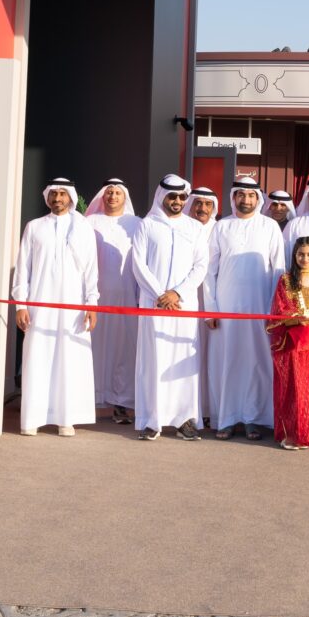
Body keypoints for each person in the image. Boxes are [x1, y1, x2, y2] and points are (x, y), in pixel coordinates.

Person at [13, 178, 99, 437]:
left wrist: (91, 304)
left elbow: (91, 270)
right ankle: (33, 418)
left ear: (70, 197)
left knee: (69, 360)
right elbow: (23, 269)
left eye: (62, 193)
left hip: (73, 307)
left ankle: (66, 418)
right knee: (37, 357)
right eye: (54, 193)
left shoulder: (82, 228)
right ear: (47, 197)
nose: (58, 198)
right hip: (39, 306)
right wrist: (21, 304)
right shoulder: (34, 227)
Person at [205, 178, 285, 440]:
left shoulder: (270, 226)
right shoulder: (221, 227)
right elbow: (209, 271)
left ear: (257, 199)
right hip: (225, 308)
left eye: (251, 195)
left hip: (260, 308)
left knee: (256, 363)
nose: (246, 200)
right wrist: (211, 309)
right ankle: (226, 418)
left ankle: (254, 418)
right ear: (233, 197)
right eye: (241, 195)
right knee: (227, 362)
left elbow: (279, 269)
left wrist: (274, 309)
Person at [132, 174, 209, 441]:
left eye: (181, 197)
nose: (177, 201)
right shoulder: (146, 225)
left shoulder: (195, 227)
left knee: (182, 361)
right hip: (153, 304)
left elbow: (201, 266)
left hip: (184, 305)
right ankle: (151, 420)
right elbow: (138, 264)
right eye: (172, 196)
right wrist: (160, 294)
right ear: (161, 196)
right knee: (154, 359)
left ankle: (184, 420)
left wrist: (177, 293)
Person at [86, 178, 141, 424]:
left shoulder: (136, 224)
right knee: (95, 348)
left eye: (118, 193)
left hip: (128, 297)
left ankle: (122, 403)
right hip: (96, 298)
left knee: (124, 351)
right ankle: (91, 399)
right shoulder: (89, 222)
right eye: (109, 192)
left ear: (124, 197)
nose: (113, 196)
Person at [268, 236, 309, 449]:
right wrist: (296, 318)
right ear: (294, 256)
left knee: (308, 387)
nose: (305, 258)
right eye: (301, 254)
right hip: (290, 342)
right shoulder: (286, 280)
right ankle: (291, 434)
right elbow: (279, 308)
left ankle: (306, 433)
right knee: (291, 387)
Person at [184, 185, 219, 426]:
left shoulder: (220, 228)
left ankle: (208, 408)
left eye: (207, 204)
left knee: (210, 355)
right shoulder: (182, 227)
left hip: (212, 301)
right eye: (198, 203)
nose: (202, 208)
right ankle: (188, 408)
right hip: (187, 299)